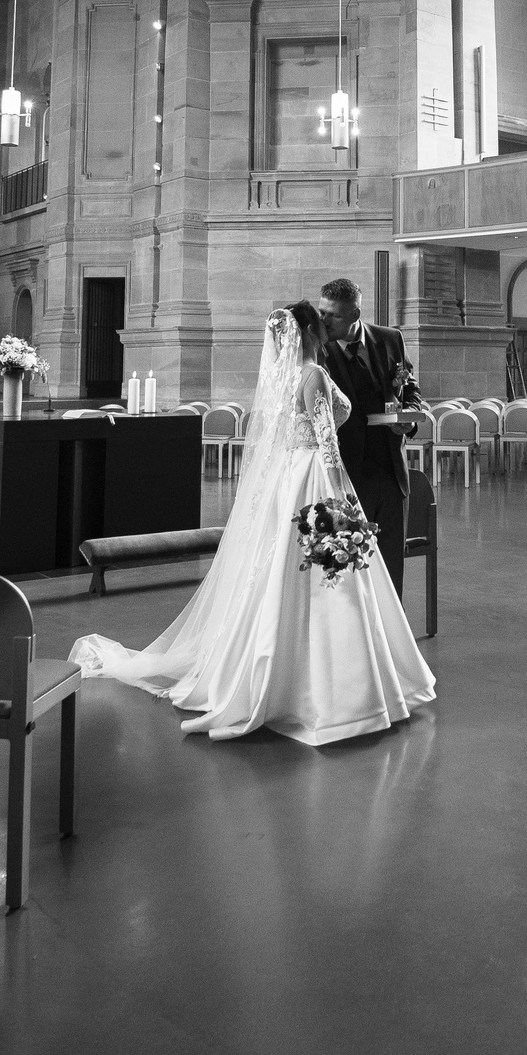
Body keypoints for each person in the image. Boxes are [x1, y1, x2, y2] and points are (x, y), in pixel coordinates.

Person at [70, 300, 434, 746]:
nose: (326, 325)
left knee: (288, 570)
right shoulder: (315, 375)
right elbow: (328, 445)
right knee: (318, 571)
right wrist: (343, 500)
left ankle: (281, 665)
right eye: (319, 321)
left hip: (290, 478)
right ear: (308, 332)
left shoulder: (285, 378)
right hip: (316, 475)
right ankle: (328, 685)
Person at [315, 276, 417, 588]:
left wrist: (410, 418)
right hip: (343, 473)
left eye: (334, 315)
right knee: (346, 570)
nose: (324, 320)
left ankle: (388, 636)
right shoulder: (317, 350)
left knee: (389, 568)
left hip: (389, 471)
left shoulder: (390, 339)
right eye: (322, 312)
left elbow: (411, 388)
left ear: (356, 314)